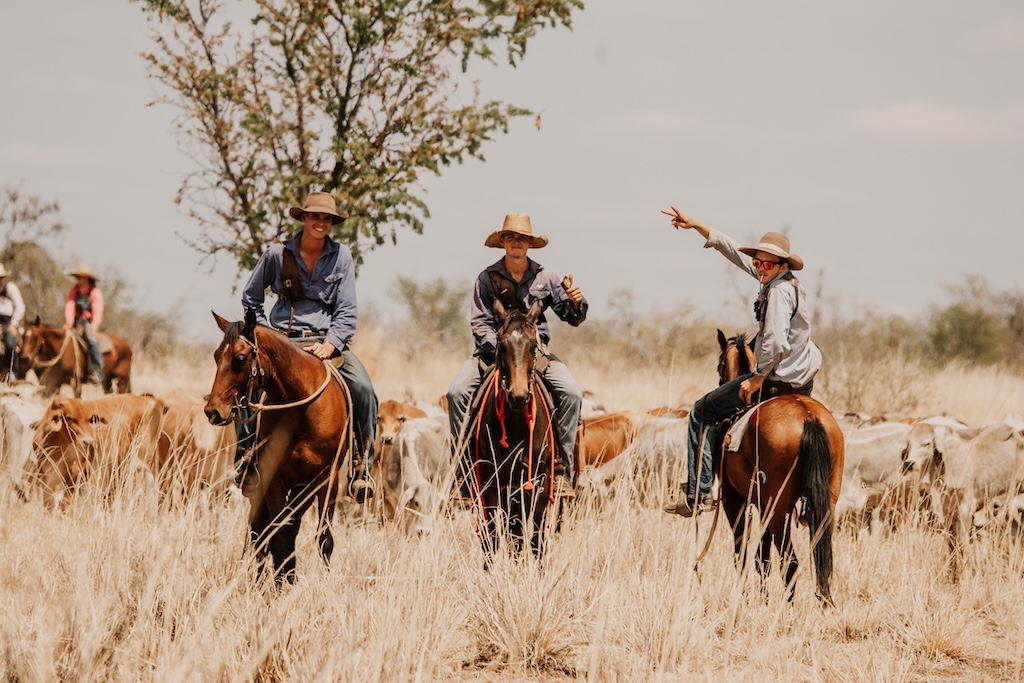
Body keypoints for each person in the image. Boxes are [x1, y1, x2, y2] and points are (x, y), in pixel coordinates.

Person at [661, 206, 822, 517]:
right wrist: (698, 226)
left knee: (701, 411)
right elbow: (735, 253)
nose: (759, 268)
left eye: (766, 263)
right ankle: (805, 498)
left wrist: (758, 377)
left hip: (778, 376)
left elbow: (774, 341)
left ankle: (698, 493)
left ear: (782, 265)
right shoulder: (785, 282)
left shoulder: (776, 293)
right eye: (758, 262)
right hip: (804, 377)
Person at [240, 191, 378, 502]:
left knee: (365, 390)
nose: (321, 222)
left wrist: (331, 344)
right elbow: (251, 298)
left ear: (332, 223)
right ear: (304, 218)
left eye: (327, 218)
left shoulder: (341, 256)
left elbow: (347, 309)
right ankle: (246, 461)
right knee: (245, 386)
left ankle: (361, 468)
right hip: (282, 339)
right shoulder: (277, 255)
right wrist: (264, 334)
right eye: (315, 216)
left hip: (324, 341)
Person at [447, 214, 587, 499]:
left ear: (530, 244)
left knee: (571, 393)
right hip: (494, 353)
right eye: (510, 237)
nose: (516, 242)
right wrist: (500, 349)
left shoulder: (545, 277)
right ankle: (461, 473)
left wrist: (575, 301)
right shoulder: (486, 278)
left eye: (522, 238)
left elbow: (571, 317)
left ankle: (562, 472)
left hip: (536, 353)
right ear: (502, 242)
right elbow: (479, 323)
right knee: (456, 392)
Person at [65, 264, 105, 384]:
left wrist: (94, 326)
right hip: (76, 321)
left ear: (87, 278)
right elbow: (70, 305)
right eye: (78, 277)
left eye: (81, 277)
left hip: (89, 322)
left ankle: (98, 371)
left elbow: (98, 309)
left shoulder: (94, 292)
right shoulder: (74, 290)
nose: (78, 280)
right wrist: (69, 321)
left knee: (91, 340)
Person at [0, 264, 25, 380]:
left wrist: (14, 324)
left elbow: (20, 307)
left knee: (10, 343)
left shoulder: (10, 288)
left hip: (9, 321)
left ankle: (12, 371)